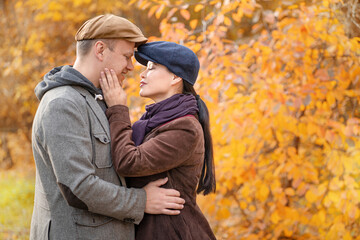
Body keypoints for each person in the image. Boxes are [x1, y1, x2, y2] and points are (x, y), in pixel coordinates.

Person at [30, 15, 185, 240]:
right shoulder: (63, 103)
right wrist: (142, 201)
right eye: (127, 56)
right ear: (100, 50)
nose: (132, 67)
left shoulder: (99, 99)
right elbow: (78, 188)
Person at [99, 41, 217, 239]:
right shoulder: (154, 121)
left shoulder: (185, 128)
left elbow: (128, 162)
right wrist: (141, 199)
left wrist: (118, 109)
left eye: (152, 68)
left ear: (176, 77)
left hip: (173, 232)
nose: (142, 74)